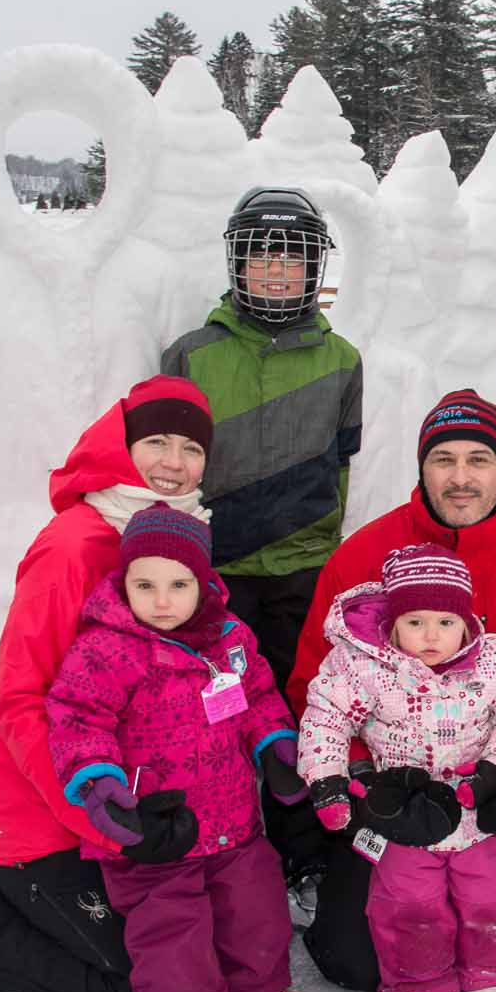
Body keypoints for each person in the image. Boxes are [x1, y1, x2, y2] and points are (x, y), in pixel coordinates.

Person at [0, 376, 216, 992]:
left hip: (122, 812)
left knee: (203, 964)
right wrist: (102, 820)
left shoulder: (175, 541)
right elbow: (20, 700)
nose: (174, 462)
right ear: (123, 445)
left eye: (192, 448)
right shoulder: (74, 547)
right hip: (47, 820)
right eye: (157, 441)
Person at [288, 390, 496, 985]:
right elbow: (315, 687)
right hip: (396, 785)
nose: (460, 478)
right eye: (443, 459)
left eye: (478, 460)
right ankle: (424, 915)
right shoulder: (363, 555)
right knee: (355, 964)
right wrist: (363, 778)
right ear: (423, 468)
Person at [46, 504, 312, 992]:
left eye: (178, 585)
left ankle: (256, 987)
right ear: (124, 582)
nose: (162, 600)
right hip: (156, 826)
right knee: (168, 924)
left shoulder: (231, 639)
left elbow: (258, 697)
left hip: (232, 816)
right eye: (146, 585)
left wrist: (276, 746)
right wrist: (101, 786)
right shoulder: (106, 649)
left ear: (204, 584)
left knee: (253, 906)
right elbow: (78, 718)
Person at [161, 185, 363, 891]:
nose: (277, 272)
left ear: (315, 269)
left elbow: (343, 462)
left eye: (293, 259)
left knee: (302, 709)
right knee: (213, 711)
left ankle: (301, 848)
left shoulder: (342, 360)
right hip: (217, 572)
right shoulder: (192, 356)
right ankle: (218, 842)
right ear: (236, 264)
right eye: (262, 257)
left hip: (303, 571)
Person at [299, 543, 496, 992]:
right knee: (411, 904)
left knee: (489, 896)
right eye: (415, 622)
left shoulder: (495, 661)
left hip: (473, 809)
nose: (431, 636)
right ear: (393, 623)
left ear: (466, 622)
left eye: (446, 622)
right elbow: (325, 718)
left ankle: (489, 969)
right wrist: (328, 780)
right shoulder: (364, 666)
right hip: (403, 813)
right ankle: (420, 983)